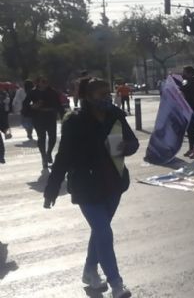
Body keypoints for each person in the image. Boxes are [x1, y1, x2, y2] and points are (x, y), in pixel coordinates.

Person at [43, 78, 139, 298]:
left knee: (99, 232)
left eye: (108, 93)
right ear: (87, 97)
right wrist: (52, 189)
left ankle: (89, 271)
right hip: (86, 186)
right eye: (101, 94)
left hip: (113, 183)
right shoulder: (74, 121)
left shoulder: (114, 114)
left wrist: (124, 147)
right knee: (104, 232)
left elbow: (132, 142)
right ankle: (116, 284)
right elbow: (63, 157)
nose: (106, 97)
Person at [23, 77, 65, 171]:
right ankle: (44, 157)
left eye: (46, 82)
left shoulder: (52, 92)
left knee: (53, 137)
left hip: (50, 117)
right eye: (43, 82)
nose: (45, 84)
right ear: (38, 83)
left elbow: (59, 104)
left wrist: (63, 116)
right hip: (38, 117)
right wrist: (33, 106)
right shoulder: (33, 92)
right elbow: (25, 104)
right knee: (41, 137)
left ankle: (49, 152)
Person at [180, 66, 194, 158]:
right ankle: (191, 148)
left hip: (192, 107)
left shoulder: (193, 81)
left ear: (189, 73)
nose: (183, 73)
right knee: (189, 129)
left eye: (184, 72)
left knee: (192, 130)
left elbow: (186, 90)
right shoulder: (187, 81)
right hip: (187, 107)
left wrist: (181, 88)